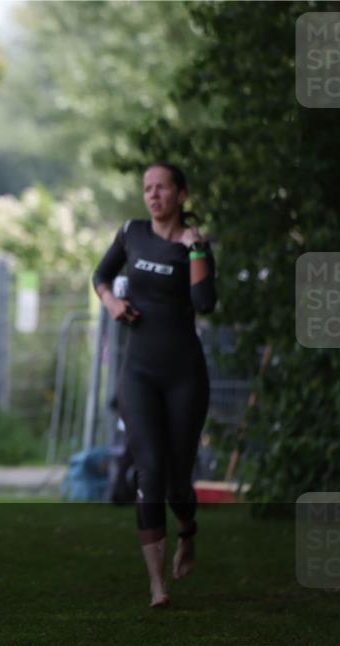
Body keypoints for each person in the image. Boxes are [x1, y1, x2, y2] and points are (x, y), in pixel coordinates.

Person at [92, 161, 217, 608]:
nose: (154, 195)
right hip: (139, 372)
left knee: (178, 480)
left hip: (184, 374)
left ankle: (187, 532)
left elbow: (205, 302)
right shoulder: (131, 233)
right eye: (148, 188)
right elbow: (100, 276)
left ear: (181, 195)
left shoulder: (194, 243)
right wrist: (111, 302)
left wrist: (197, 249)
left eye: (162, 188)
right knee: (149, 472)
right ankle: (157, 585)